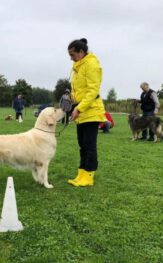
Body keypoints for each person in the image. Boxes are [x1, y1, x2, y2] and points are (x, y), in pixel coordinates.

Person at [67, 38, 106, 187]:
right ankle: (81, 174)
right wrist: (70, 97)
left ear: (81, 52)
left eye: (72, 54)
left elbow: (92, 91)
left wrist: (79, 108)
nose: (71, 57)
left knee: (89, 145)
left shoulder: (91, 64)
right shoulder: (78, 65)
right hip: (82, 111)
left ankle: (89, 176)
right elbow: (79, 89)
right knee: (82, 144)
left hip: (91, 111)